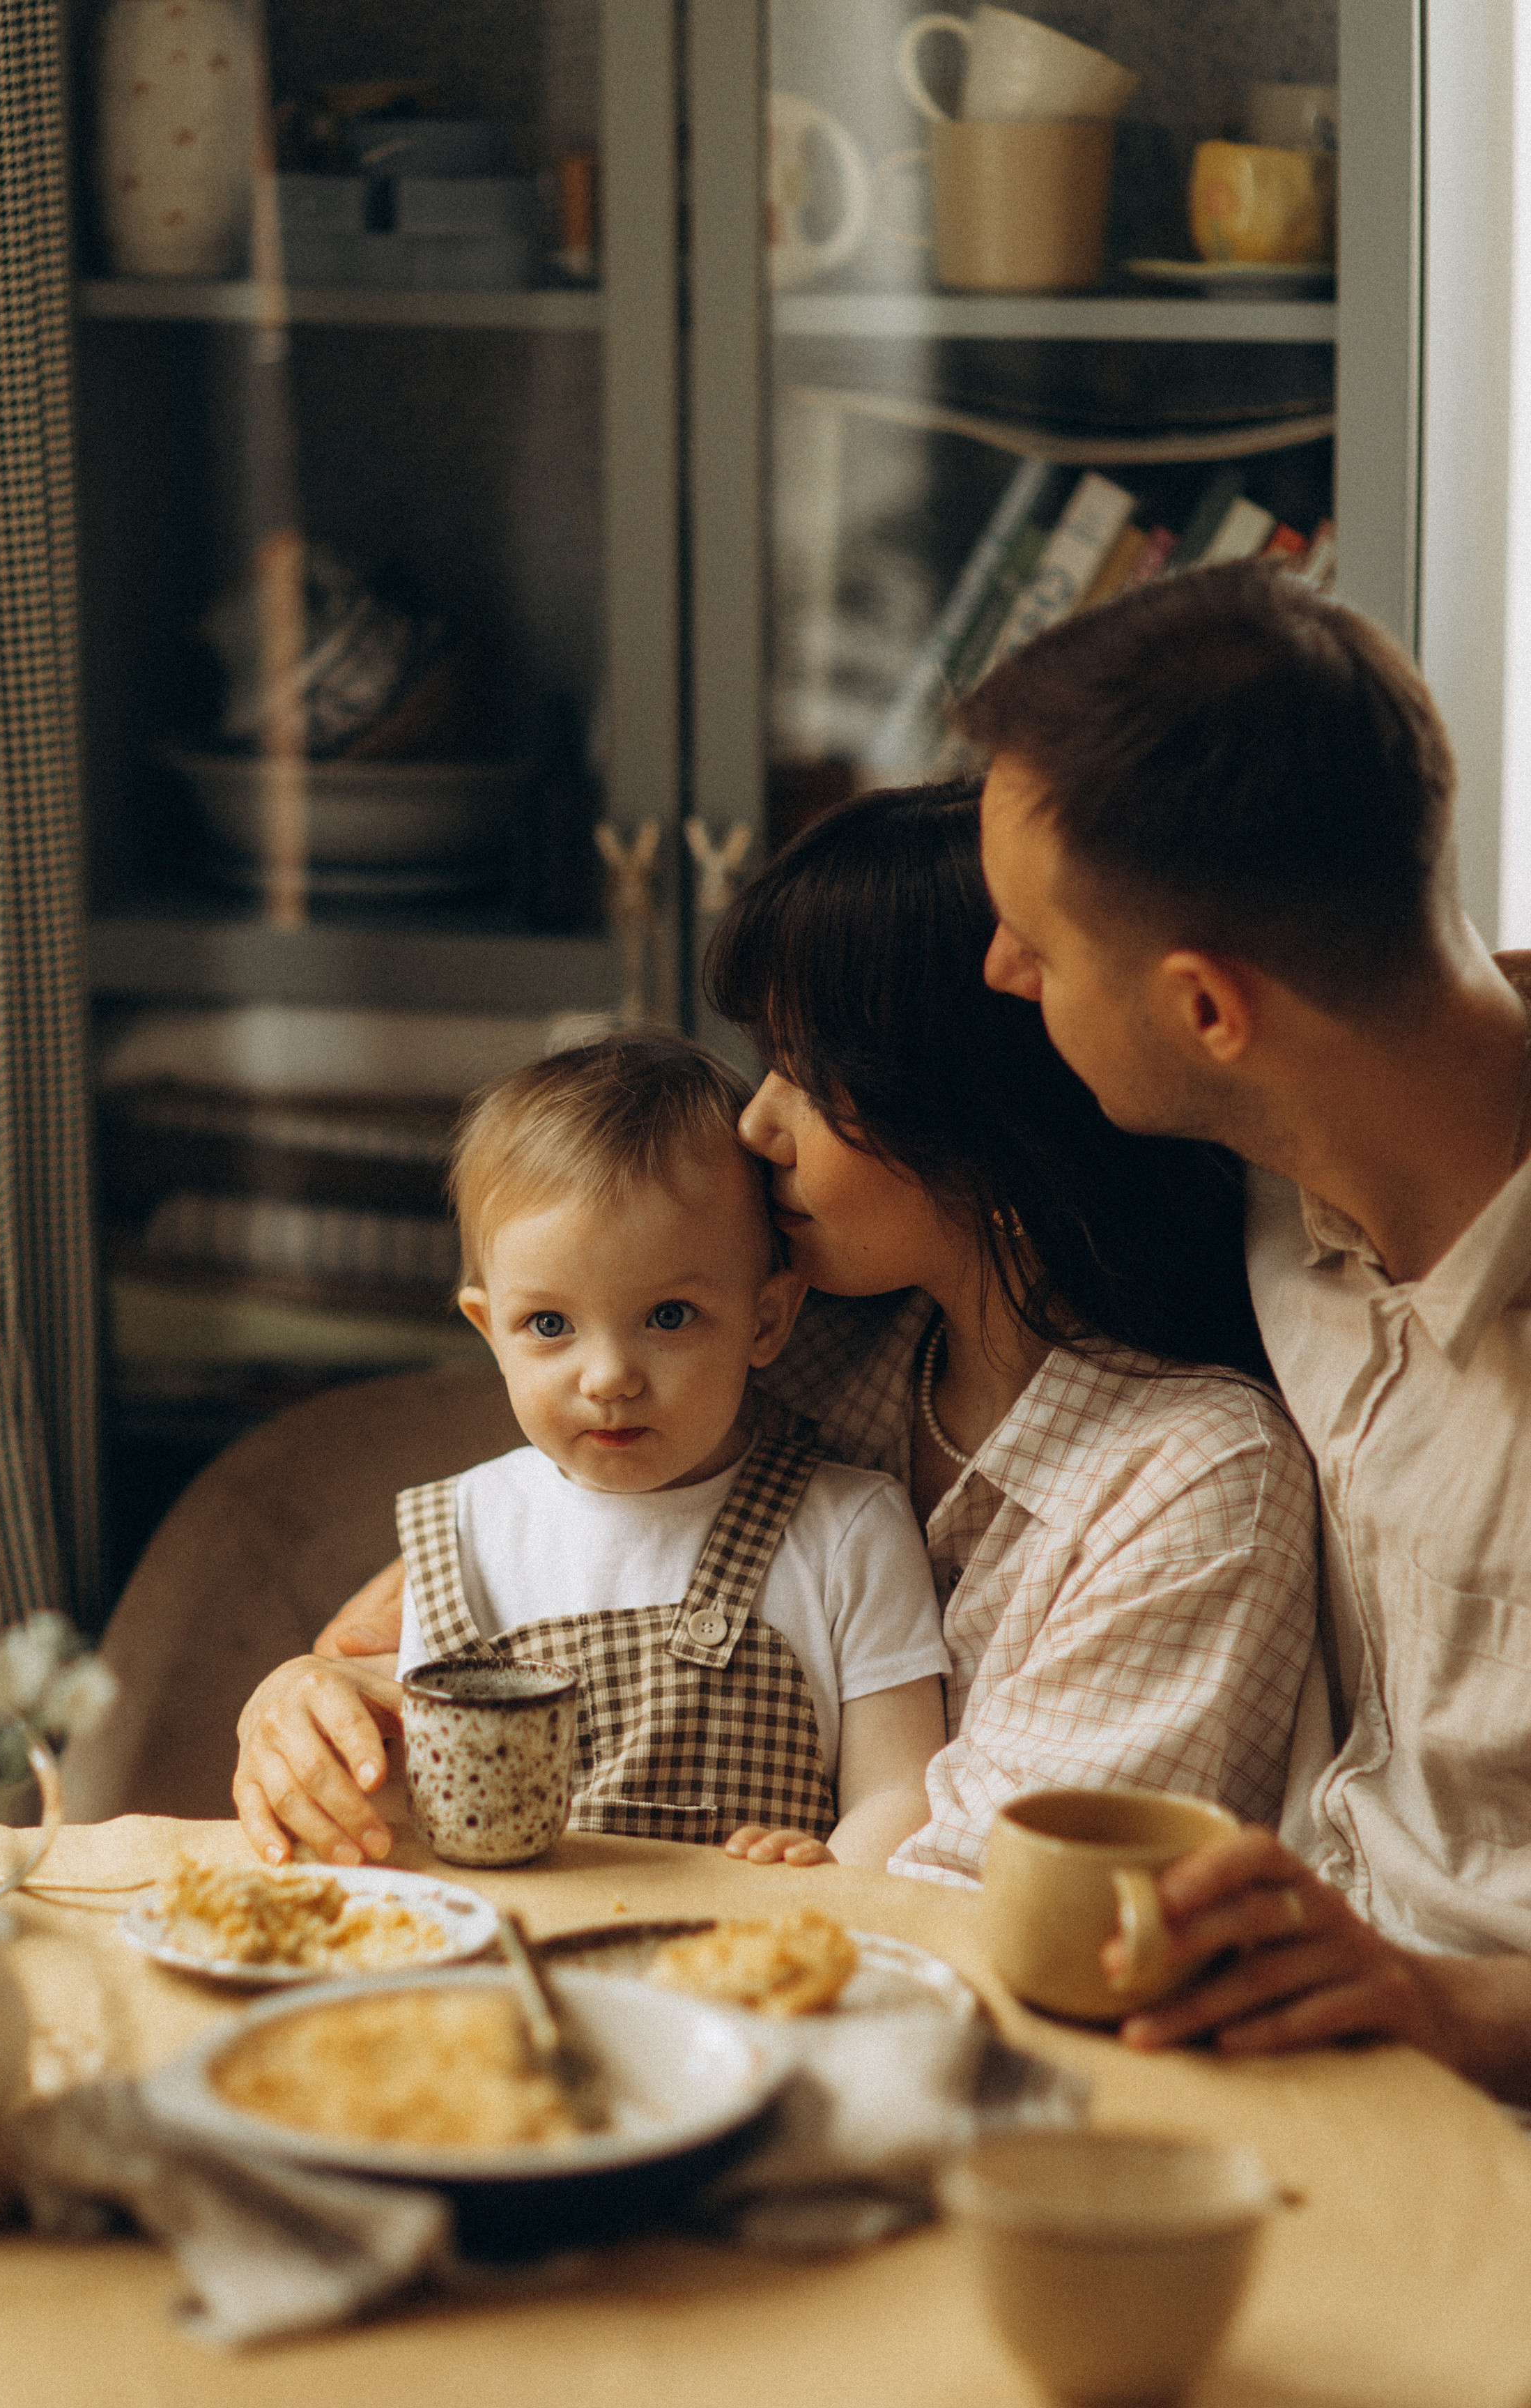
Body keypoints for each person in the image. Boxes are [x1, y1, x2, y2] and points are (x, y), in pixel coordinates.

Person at [233, 784, 1320, 1885]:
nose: (756, 1121)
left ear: (982, 1132)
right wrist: (305, 1703)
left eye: (808, 1076)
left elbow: (975, 1907)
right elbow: (457, 1615)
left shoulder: (1194, 1486)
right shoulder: (810, 1332)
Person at [953, 555, 1531, 2095]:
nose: (999, 972)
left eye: (1038, 943)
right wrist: (381, 1633)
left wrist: (1437, 2006)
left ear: (1208, 1010)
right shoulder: (1263, 1168)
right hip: (1250, 2058)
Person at [391, 1034, 951, 1863]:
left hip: (751, 1970)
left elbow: (902, 1792)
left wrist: (830, 1873)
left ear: (765, 1320)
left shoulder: (847, 1528)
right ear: (489, 1329)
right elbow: (413, 1806)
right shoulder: (463, 1529)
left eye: (669, 1317)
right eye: (549, 1326)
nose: (610, 1377)